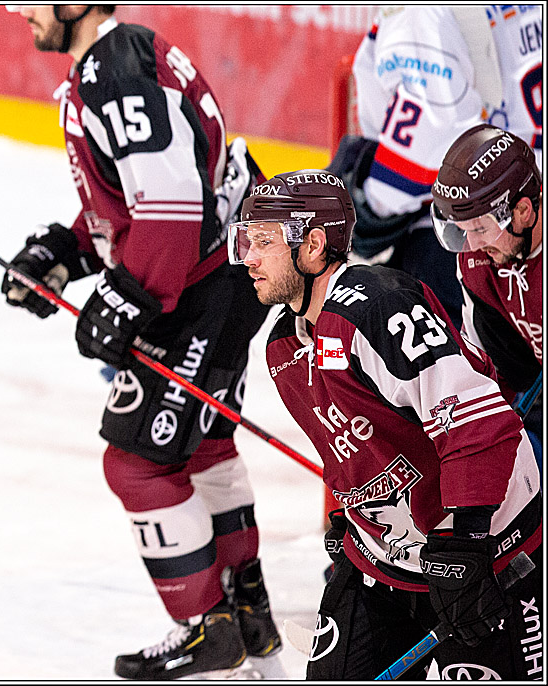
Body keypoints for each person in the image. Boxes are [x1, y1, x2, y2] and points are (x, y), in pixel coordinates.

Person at [3, 5, 279, 679]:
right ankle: (248, 613)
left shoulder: (116, 72)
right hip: (227, 266)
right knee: (203, 443)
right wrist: (69, 249)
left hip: (206, 281)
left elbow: (172, 205)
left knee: (139, 463)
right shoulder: (118, 58)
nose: (19, 9)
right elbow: (140, 195)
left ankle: (203, 629)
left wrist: (130, 296)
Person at [229, 169, 542, 680]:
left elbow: (478, 423)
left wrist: (466, 541)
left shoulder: (379, 306)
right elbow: (360, 451)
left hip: (488, 555)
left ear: (312, 247)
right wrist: (356, 522)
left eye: (264, 241)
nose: (248, 256)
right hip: (384, 567)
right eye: (246, 240)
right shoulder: (284, 347)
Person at [331, 5, 542, 329]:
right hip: (527, 214)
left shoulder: (424, 14)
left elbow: (421, 156)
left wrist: (356, 213)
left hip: (489, 232)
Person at [431, 124, 542, 467]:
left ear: (523, 211)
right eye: (463, 231)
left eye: (480, 228)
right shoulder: (477, 262)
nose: (474, 245)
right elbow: (490, 370)